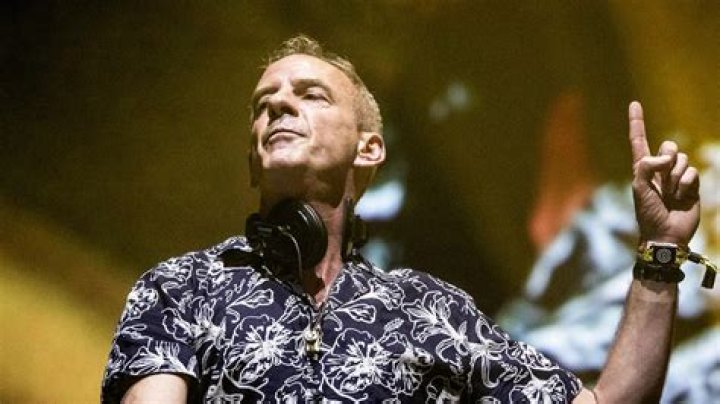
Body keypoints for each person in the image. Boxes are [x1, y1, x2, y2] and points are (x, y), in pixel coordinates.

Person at [102, 35, 702, 403]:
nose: (278, 104)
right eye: (264, 104)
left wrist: (661, 249)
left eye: (310, 94)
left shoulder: (429, 309)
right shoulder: (182, 287)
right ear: (253, 160)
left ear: (369, 150)